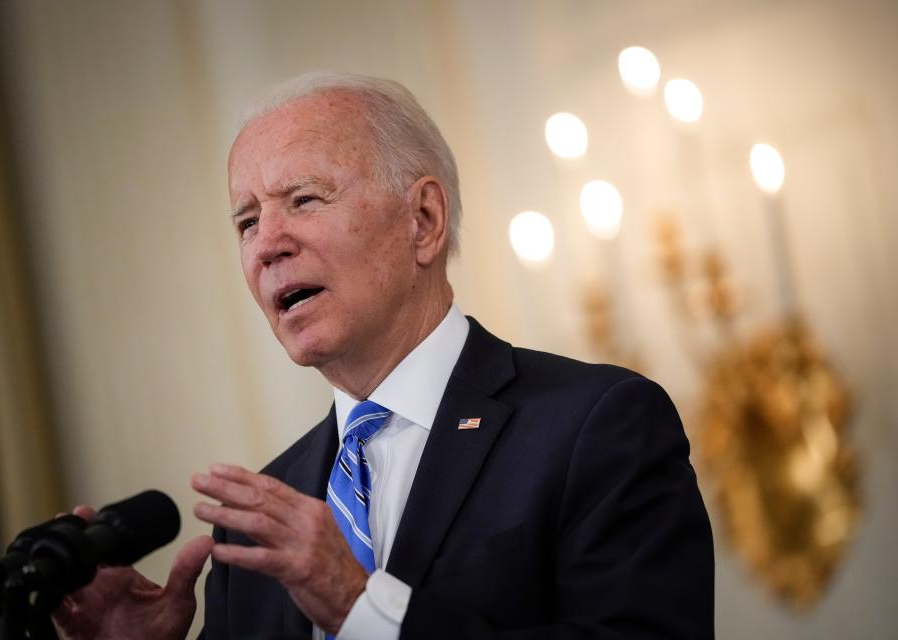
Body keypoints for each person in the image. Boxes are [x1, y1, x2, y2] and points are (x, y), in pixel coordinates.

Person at [55, 72, 714, 640]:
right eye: (247, 221)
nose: (266, 245)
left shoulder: (595, 427)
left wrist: (362, 608)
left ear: (423, 221)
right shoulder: (254, 529)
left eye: (303, 200)